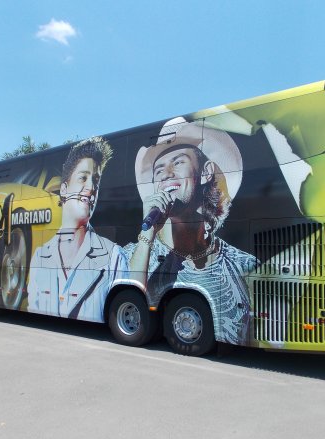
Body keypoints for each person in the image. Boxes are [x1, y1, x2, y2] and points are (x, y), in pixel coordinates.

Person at [125, 118, 257, 345]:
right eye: (158, 170)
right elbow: (133, 296)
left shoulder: (244, 265)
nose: (166, 173)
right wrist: (148, 232)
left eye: (178, 162)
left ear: (205, 173)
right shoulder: (132, 255)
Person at [27, 137, 127, 322]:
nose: (91, 187)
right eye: (83, 178)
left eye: (96, 180)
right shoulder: (40, 256)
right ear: (64, 189)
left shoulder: (114, 258)